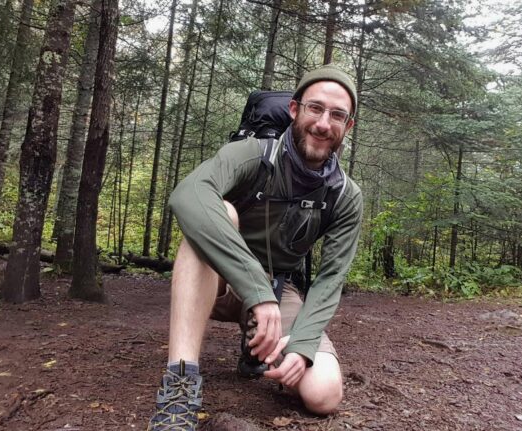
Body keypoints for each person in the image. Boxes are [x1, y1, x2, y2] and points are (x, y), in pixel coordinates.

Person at [147, 64, 363, 431]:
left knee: (323, 394)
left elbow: (330, 280)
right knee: (220, 213)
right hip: (220, 280)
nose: (323, 124)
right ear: (294, 110)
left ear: (348, 125)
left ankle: (257, 345)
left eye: (337, 115)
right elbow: (188, 195)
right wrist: (256, 290)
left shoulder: (344, 194)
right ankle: (180, 386)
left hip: (280, 292)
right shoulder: (252, 154)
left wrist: (303, 346)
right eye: (315, 108)